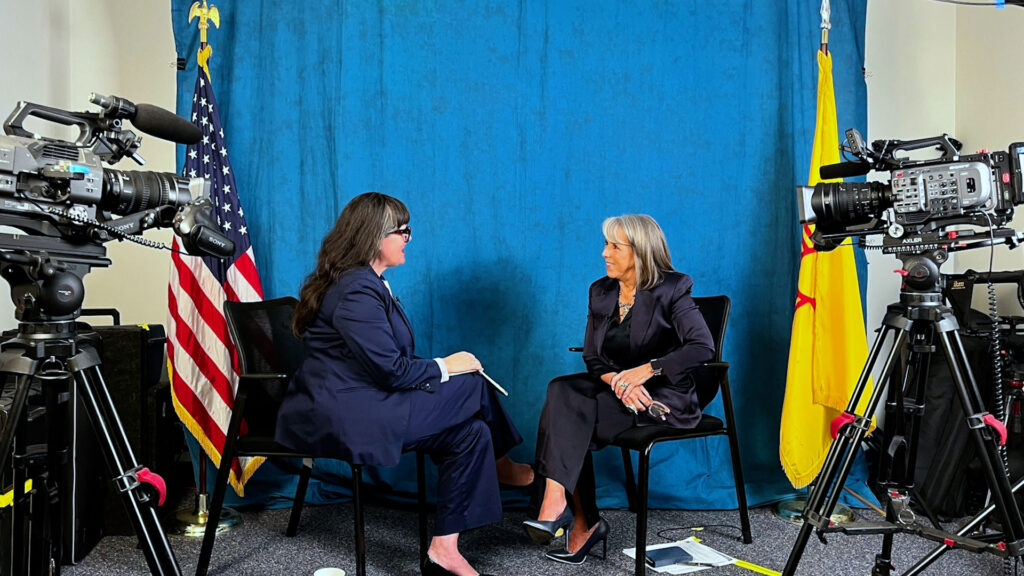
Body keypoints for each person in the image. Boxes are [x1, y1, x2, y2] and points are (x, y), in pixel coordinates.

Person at [276, 192, 532, 576]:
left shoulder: (367, 283)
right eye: (403, 230)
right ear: (375, 236)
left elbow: (385, 364)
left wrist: (443, 370)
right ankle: (505, 466)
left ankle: (444, 551)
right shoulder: (356, 289)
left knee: (472, 432)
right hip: (347, 413)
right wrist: (447, 365)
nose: (409, 238)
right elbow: (392, 371)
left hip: (366, 399)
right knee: (473, 385)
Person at [524, 214, 714, 565]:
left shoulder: (673, 287)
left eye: (614, 246)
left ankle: (574, 515)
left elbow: (702, 347)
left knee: (568, 415)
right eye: (606, 244)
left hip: (661, 398)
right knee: (562, 391)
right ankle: (563, 506)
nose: (604, 253)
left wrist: (646, 370)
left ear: (640, 252)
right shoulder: (601, 291)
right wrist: (619, 381)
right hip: (615, 392)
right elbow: (594, 358)